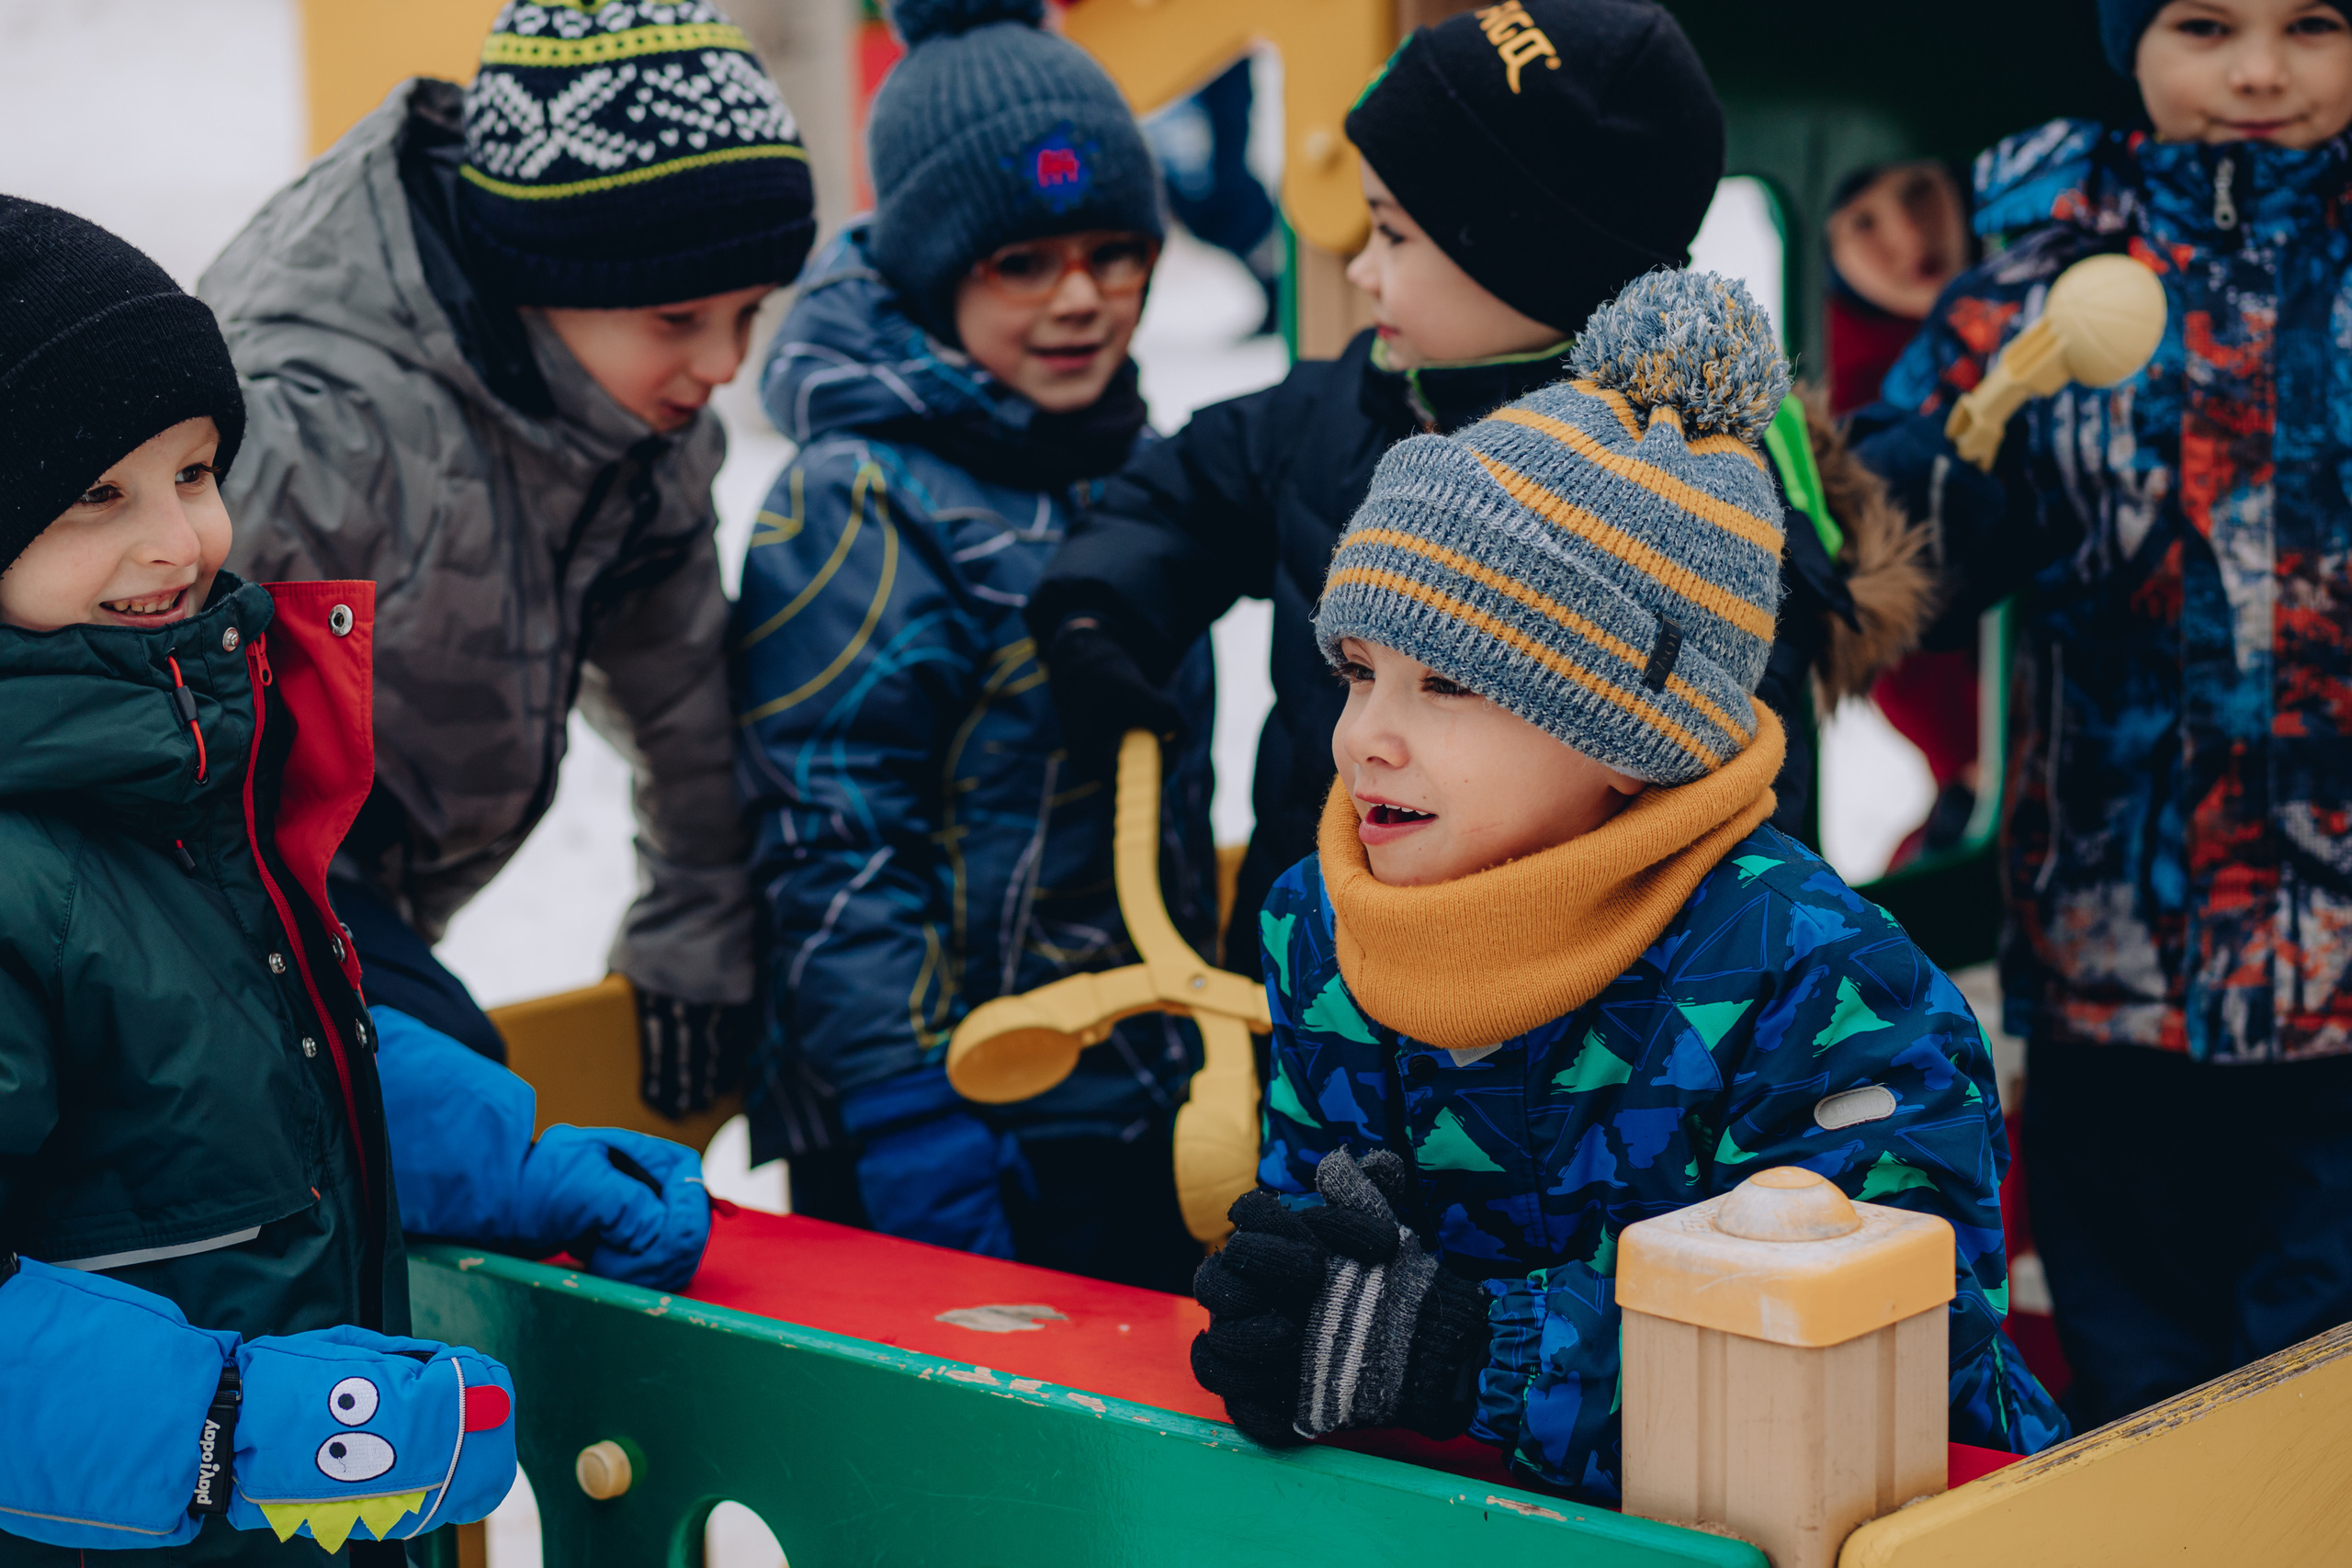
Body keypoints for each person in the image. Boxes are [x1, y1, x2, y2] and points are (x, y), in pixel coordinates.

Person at [1185, 272, 2065, 1497]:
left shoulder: (1824, 984)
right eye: (1357, 671)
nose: (1364, 738)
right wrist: (1305, 1318)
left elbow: (1889, 1351)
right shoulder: (1329, 931)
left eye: (1448, 685)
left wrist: (1474, 1351)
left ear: (1625, 733)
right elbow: (1336, 1259)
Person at [0, 200, 707, 1562]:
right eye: (98, 495)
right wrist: (232, 1427)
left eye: (195, 472)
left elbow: (273, 1060)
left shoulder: (178, 778)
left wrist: (510, 1163)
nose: (178, 543)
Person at [1029, 0, 1918, 983]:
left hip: (1561, 1054)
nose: (1361, 271)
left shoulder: (1678, 513)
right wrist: (1096, 615)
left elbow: (1720, 818)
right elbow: (1182, 492)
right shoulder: (1339, 412)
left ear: (1526, 258)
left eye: (1393, 236)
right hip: (1316, 1004)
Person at [1849, 0, 2352, 1427]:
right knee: (2140, 1384)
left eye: (2312, 25)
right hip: (2109, 963)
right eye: (2204, 24)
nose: (2258, 72)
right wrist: (1942, 506)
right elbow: (1892, 561)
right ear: (2129, 41)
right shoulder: (2033, 279)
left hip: (2342, 984)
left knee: (2319, 1397)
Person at [204, 0, 817, 1117]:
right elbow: (113, 689)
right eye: (680, 318)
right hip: (212, 865)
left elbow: (681, 700)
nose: (726, 364)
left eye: (751, 314)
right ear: (537, 271)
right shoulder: (313, 434)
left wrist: (697, 930)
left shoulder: (639, 432)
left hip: (377, 857)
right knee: (454, 1111)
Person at [732, 0, 1216, 1291]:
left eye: (1117, 251)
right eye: (1024, 261)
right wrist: (906, 1110)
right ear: (933, 266)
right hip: (948, 1112)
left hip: (1130, 1090)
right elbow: (831, 826)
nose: (1082, 297)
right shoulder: (860, 501)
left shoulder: (1130, 465)